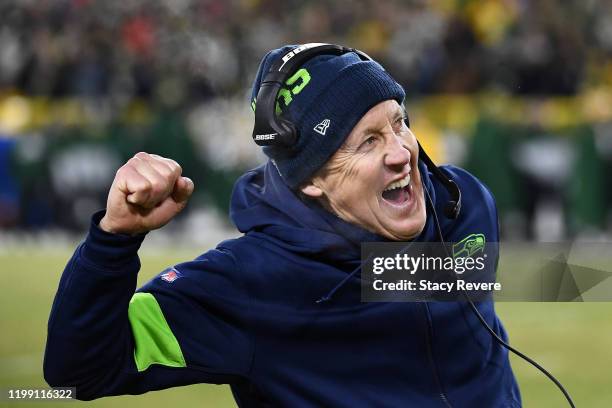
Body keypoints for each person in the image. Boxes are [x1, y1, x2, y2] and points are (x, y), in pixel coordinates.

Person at [44, 44, 522, 407]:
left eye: (399, 123)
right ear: (311, 179)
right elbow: (78, 373)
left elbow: (408, 282)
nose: (402, 152)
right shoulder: (250, 283)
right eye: (368, 141)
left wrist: (587, 283)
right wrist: (115, 239)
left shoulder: (463, 203)